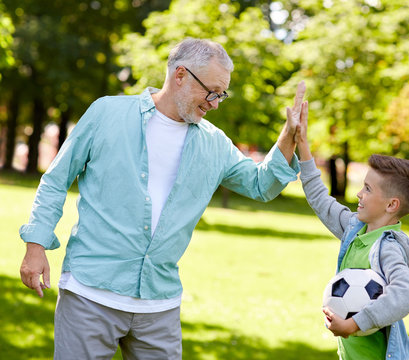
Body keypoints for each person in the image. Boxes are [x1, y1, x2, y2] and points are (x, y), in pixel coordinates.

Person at [19, 38, 306, 359]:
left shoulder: (214, 143)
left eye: (221, 94)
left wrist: (288, 137)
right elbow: (57, 179)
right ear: (180, 75)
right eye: (211, 92)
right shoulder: (107, 113)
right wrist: (36, 245)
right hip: (90, 293)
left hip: (160, 304)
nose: (215, 103)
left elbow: (260, 185)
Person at [293, 102, 409, 360]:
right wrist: (303, 145)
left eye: (368, 189)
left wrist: (353, 324)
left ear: (392, 205)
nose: (359, 193)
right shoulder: (355, 229)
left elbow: (406, 293)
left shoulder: (388, 248)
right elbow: (321, 200)